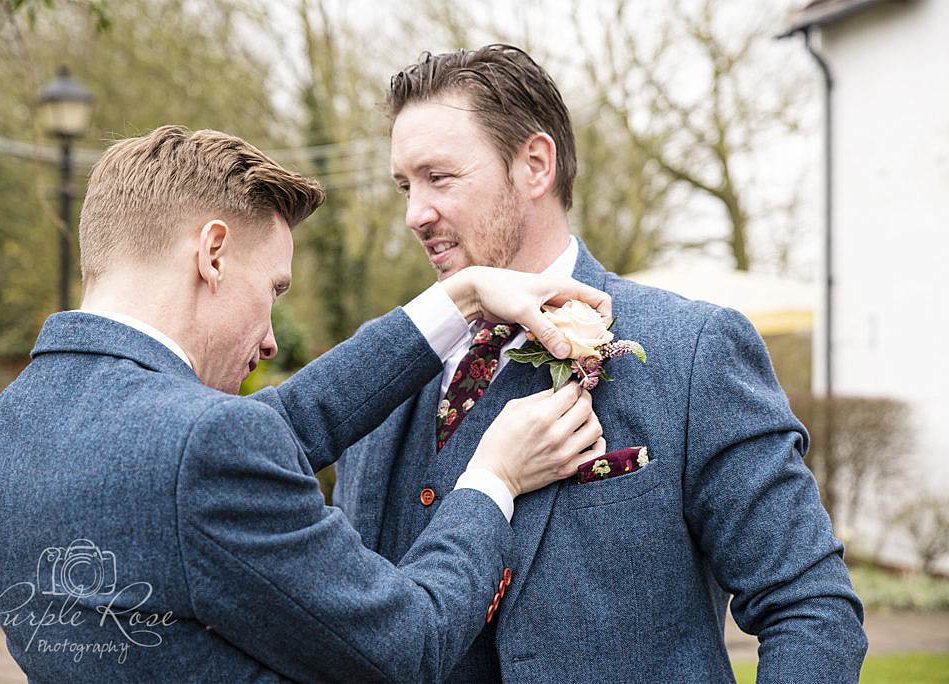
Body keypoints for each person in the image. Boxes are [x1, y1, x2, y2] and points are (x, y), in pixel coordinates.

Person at [0, 125, 612, 682]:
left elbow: (287, 424)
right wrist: (494, 479)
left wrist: (462, 296)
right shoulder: (201, 449)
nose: (272, 338)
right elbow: (409, 647)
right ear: (212, 254)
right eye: (272, 289)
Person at [334, 44, 868, 682]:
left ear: (534, 165)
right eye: (404, 185)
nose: (414, 213)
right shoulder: (378, 369)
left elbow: (810, 606)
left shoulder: (691, 350)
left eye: (439, 177)